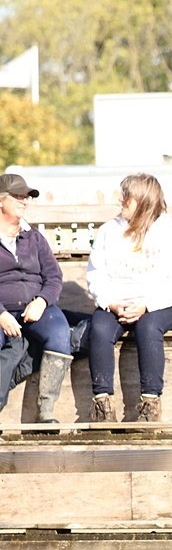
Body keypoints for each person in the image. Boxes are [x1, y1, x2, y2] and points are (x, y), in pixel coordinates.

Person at [87, 173, 172, 422]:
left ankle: (150, 403)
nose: (121, 200)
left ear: (145, 201)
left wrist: (147, 305)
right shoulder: (108, 231)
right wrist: (111, 303)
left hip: (156, 304)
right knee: (100, 329)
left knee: (148, 329)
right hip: (116, 303)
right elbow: (96, 273)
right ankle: (102, 404)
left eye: (127, 196)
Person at [0, 173, 74, 423]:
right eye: (18, 196)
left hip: (36, 306)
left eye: (27, 197)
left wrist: (42, 301)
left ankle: (46, 410)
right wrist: (1, 314)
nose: (25, 201)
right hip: (2, 311)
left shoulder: (34, 237)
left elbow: (54, 276)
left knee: (60, 333)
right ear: (1, 201)